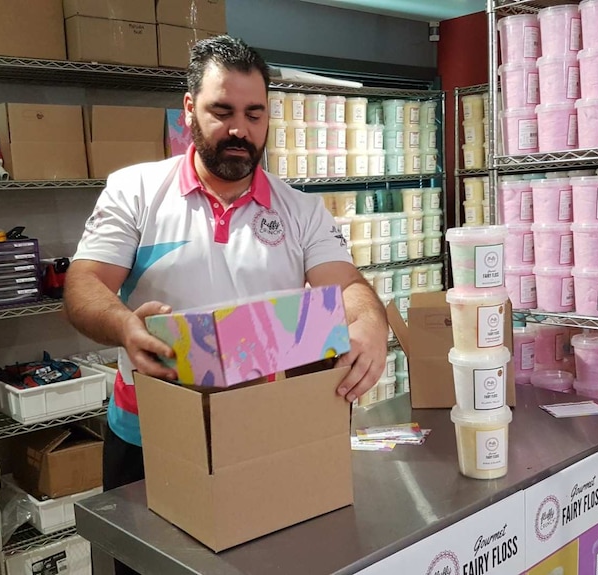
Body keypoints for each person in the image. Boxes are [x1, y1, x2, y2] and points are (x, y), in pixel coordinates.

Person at [64, 35, 388, 573]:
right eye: (223, 110)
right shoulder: (136, 192)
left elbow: (347, 284)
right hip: (151, 440)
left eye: (254, 113)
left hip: (268, 436)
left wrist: (370, 325)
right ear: (189, 108)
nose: (240, 129)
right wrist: (124, 326)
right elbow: (84, 284)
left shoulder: (301, 211)